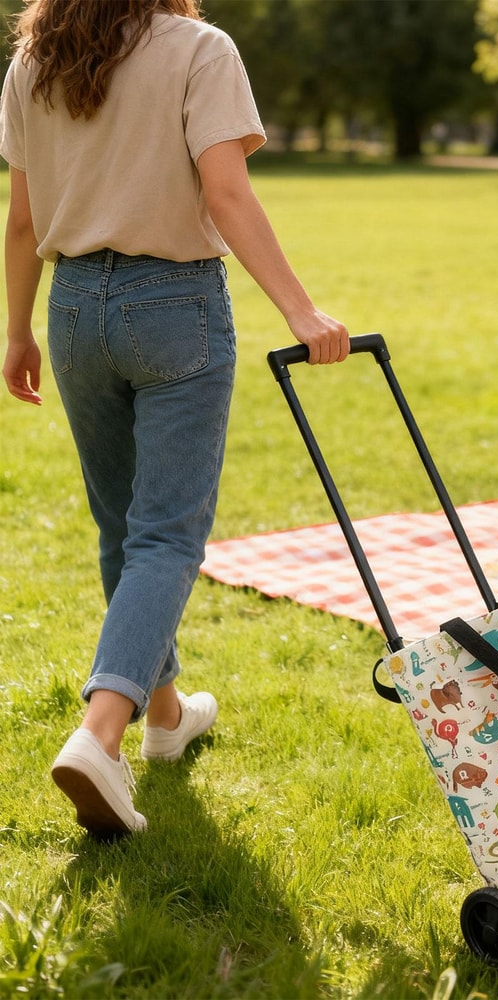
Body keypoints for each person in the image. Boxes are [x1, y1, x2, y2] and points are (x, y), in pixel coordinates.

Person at [1, 0, 349, 838]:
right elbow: (225, 190)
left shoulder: (34, 59)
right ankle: (99, 733)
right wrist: (301, 312)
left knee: (123, 528)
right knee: (164, 536)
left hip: (75, 308)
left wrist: (16, 330)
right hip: (175, 307)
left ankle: (164, 717)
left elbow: (22, 218)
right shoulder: (199, 48)